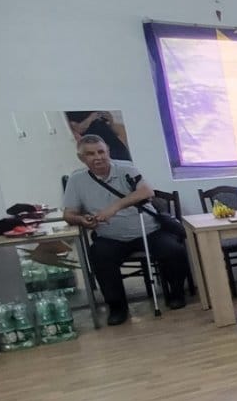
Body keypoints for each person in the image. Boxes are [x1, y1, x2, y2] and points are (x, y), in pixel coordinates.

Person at [62, 135, 189, 325]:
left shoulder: (126, 168)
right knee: (99, 256)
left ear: (108, 152)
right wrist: (82, 220)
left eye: (101, 152)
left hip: (148, 230)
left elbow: (146, 192)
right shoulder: (76, 180)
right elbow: (68, 214)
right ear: (81, 158)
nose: (98, 157)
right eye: (90, 154)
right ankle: (117, 307)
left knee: (174, 250)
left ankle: (176, 293)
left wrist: (114, 207)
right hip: (111, 237)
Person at [65, 111, 131, 161]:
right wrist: (91, 118)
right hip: (97, 146)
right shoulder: (71, 112)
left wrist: (109, 118)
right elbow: (77, 129)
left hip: (113, 142)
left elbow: (111, 125)